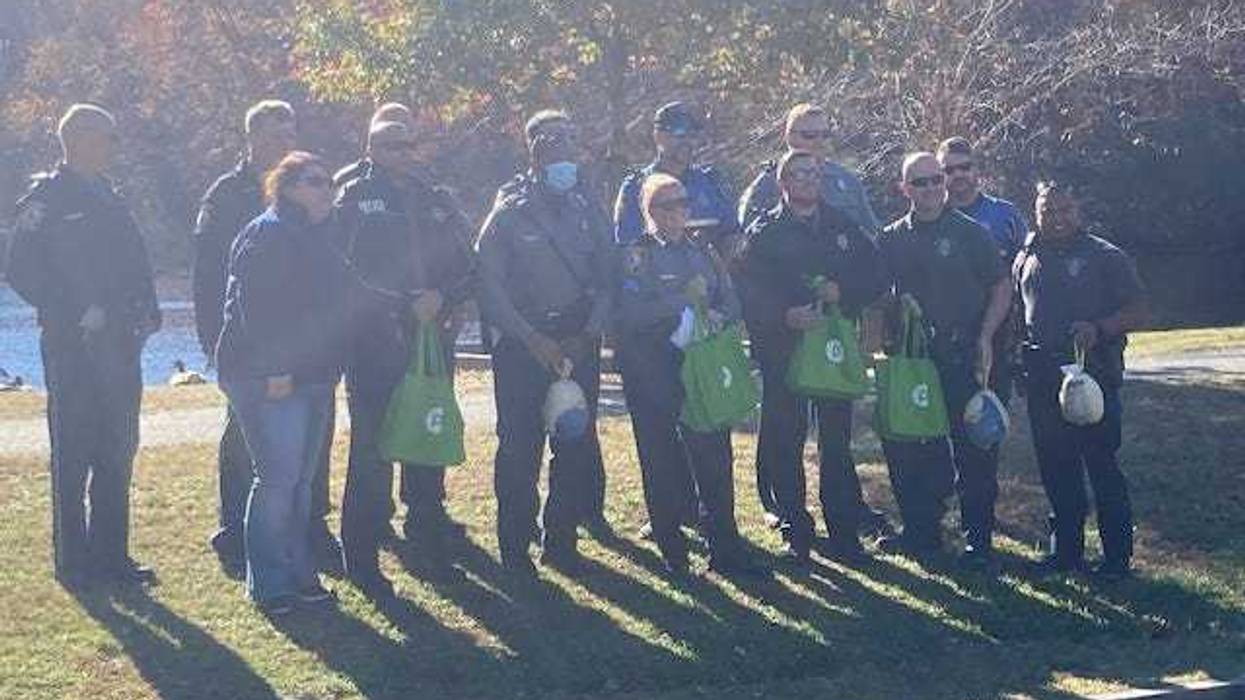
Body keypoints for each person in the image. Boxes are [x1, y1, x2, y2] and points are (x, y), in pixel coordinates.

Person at [7, 103, 161, 589]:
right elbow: (21, 270)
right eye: (107, 136)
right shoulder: (46, 200)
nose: (114, 146)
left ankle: (112, 556)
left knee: (117, 447)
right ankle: (74, 562)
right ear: (77, 139)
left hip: (120, 342)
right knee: (74, 451)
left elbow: (133, 260)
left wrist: (148, 310)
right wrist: (75, 311)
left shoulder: (110, 196)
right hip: (73, 344)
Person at [337, 118, 476, 598]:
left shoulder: (434, 196)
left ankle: (429, 546)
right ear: (370, 147)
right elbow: (343, 270)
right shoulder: (352, 196)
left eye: (408, 144)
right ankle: (361, 558)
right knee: (372, 451)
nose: (402, 152)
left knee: (427, 440)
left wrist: (446, 296)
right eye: (391, 144)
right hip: (376, 343)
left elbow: (468, 261)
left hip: (431, 341)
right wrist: (402, 304)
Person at [476, 110, 614, 577]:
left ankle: (562, 539)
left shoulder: (588, 207)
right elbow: (489, 286)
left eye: (571, 141)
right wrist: (531, 338)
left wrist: (588, 334)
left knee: (574, 442)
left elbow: (609, 276)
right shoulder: (508, 211)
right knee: (520, 447)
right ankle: (515, 546)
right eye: (552, 142)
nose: (564, 151)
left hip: (578, 343)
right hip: (523, 346)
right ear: (532, 150)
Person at [215, 152, 354, 615]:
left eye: (329, 181)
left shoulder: (318, 237)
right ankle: (269, 584)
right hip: (268, 377)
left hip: (313, 375)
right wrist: (275, 370)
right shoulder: (267, 232)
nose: (326, 190)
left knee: (301, 483)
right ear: (288, 186)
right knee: (276, 479)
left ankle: (300, 574)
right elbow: (256, 310)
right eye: (315, 182)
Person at [736, 103, 886, 533]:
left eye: (822, 137)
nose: (814, 156)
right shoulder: (763, 217)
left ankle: (842, 520)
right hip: (784, 342)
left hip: (833, 341)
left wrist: (846, 293)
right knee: (786, 430)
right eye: (806, 137)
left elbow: (874, 267)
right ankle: (791, 519)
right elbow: (746, 283)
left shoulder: (842, 210)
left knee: (836, 436)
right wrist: (783, 315)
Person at [615, 173, 765, 578]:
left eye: (682, 203)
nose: (678, 212)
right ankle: (673, 551)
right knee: (661, 459)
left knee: (715, 456)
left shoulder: (703, 251)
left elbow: (731, 299)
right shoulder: (637, 256)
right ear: (650, 212)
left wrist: (718, 314)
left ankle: (726, 549)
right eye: (667, 205)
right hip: (656, 369)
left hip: (703, 368)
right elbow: (632, 313)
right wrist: (683, 301)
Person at [876, 152, 1013, 567]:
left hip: (964, 356)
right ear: (904, 189)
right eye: (920, 183)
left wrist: (987, 337)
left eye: (937, 180)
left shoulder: (971, 233)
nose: (932, 188)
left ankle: (979, 540)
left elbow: (1001, 285)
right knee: (911, 448)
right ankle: (921, 532)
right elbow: (878, 295)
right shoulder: (890, 238)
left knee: (974, 451)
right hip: (914, 362)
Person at [193, 100, 309, 576]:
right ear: (252, 137)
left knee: (301, 437)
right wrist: (212, 339)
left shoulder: (301, 188)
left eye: (291, 133)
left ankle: (299, 527)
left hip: (299, 341)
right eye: (277, 134)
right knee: (243, 434)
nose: (286, 142)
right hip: (243, 342)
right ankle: (234, 530)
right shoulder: (226, 195)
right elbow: (207, 275)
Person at [1014, 181, 1148, 580]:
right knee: (1057, 468)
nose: (1056, 218)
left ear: (1079, 210)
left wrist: (1100, 327)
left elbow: (1139, 310)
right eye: (1048, 210)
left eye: (1064, 209)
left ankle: (1116, 559)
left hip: (1094, 377)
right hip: (1042, 379)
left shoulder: (1106, 257)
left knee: (1101, 465)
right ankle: (1066, 552)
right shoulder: (1027, 255)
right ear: (1036, 212)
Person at [938, 136, 1029, 403]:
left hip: (999, 331)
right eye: (949, 170)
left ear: (977, 169)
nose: (958, 175)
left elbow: (1025, 271)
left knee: (990, 415)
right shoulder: (932, 217)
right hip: (947, 334)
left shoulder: (1005, 215)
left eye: (964, 167)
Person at [614, 101, 740, 251]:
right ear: (658, 136)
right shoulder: (636, 187)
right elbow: (629, 247)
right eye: (679, 132)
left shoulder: (710, 183)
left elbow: (733, 235)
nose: (687, 141)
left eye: (692, 134)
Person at [737, 103, 880, 234]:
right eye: (810, 135)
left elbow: (873, 234)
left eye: (825, 135)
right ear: (789, 137)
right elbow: (747, 240)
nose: (820, 142)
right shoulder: (766, 186)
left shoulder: (847, 181)